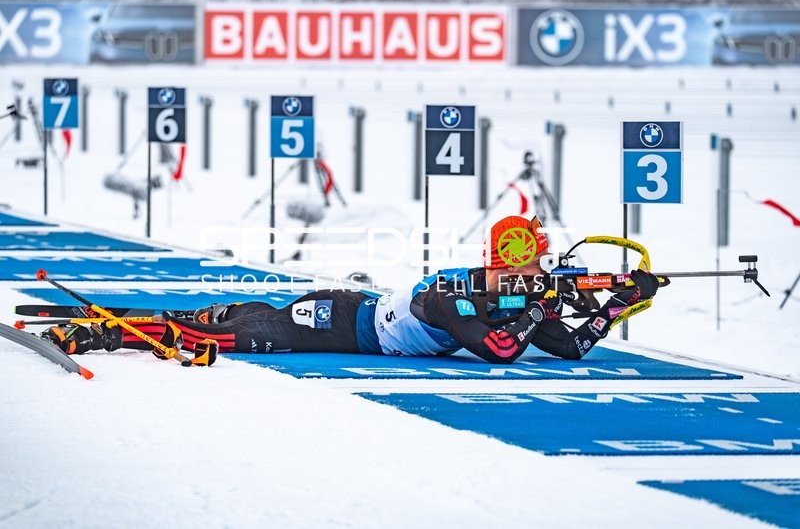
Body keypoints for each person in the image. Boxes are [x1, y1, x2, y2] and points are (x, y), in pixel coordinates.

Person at [43, 216, 660, 364]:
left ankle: (207, 313)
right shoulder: (451, 294)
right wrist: (540, 309)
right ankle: (103, 334)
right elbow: (498, 349)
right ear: (508, 265)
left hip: (350, 313)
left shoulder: (515, 299)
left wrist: (615, 305)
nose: (542, 279)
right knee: (222, 338)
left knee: (238, 321)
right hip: (333, 324)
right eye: (534, 270)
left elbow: (570, 348)